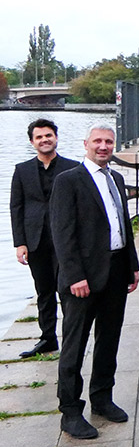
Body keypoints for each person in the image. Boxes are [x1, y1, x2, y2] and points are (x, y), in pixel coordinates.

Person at [50, 124, 139, 439]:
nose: (103, 146)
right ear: (86, 143)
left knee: (109, 338)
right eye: (98, 141)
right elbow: (62, 232)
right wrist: (74, 275)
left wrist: (132, 264)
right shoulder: (68, 181)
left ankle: (102, 397)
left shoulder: (115, 178)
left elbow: (122, 224)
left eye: (109, 141)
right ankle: (70, 411)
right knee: (75, 344)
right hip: (83, 277)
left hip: (115, 271)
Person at [10, 118, 78, 358]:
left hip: (65, 241)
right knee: (44, 291)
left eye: (48, 135)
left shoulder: (73, 168)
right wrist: (20, 242)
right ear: (32, 142)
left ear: (56, 138)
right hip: (36, 239)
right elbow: (16, 207)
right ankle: (48, 338)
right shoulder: (22, 170)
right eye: (39, 137)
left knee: (68, 291)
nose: (44, 140)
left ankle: (72, 338)